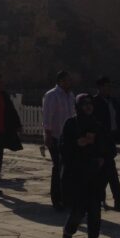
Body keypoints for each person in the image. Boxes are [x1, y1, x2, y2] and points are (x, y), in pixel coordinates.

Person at [60, 92, 110, 238]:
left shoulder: (96, 125)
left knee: (95, 212)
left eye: (90, 103)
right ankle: (68, 231)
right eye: (84, 103)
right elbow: (63, 147)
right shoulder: (71, 124)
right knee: (78, 211)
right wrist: (77, 143)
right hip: (76, 175)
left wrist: (102, 158)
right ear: (78, 106)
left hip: (94, 175)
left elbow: (105, 147)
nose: (88, 106)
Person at [93, 76, 120, 212]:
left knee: (106, 171)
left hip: (111, 139)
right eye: (106, 86)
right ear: (100, 88)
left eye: (110, 86)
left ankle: (99, 197)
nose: (109, 89)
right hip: (100, 141)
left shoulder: (113, 101)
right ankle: (118, 201)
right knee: (110, 171)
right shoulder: (94, 102)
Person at [42, 70, 76, 209]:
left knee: (68, 168)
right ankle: (57, 199)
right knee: (58, 167)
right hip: (55, 136)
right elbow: (47, 116)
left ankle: (67, 196)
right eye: (68, 80)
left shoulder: (71, 96)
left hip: (69, 137)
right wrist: (48, 135)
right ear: (61, 81)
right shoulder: (52, 95)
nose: (70, 82)